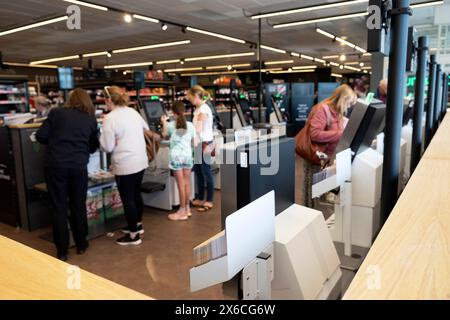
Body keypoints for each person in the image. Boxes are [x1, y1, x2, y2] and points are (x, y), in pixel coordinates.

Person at [36, 88, 99, 261]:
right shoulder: (90, 120)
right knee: (78, 205)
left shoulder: (56, 114)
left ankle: (62, 251)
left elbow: (41, 136)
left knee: (59, 208)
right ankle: (81, 244)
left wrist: (57, 141)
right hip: (78, 166)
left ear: (70, 100)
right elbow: (94, 145)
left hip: (55, 166)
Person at [100, 86, 149, 246]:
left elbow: (107, 147)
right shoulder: (133, 112)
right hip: (140, 160)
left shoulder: (110, 118)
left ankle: (133, 236)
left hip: (125, 163)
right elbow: (145, 129)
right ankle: (137, 225)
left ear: (108, 100)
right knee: (136, 195)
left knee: (128, 199)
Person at [299, 84, 357, 208]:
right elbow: (314, 134)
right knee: (314, 194)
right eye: (348, 103)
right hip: (316, 159)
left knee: (322, 195)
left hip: (327, 159)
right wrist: (339, 134)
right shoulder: (322, 109)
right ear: (343, 99)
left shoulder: (336, 112)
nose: (348, 107)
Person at [161, 101, 196, 221]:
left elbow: (164, 135)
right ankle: (187, 209)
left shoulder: (171, 125)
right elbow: (195, 142)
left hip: (176, 157)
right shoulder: (190, 125)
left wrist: (163, 123)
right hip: (187, 156)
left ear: (173, 113)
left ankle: (181, 211)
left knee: (180, 185)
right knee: (187, 183)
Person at [187, 85, 215, 212]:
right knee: (199, 171)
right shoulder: (198, 109)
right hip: (199, 143)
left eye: (190, 98)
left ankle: (209, 200)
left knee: (206, 171)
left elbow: (198, 129)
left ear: (196, 96)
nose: (190, 100)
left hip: (204, 143)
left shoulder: (203, 109)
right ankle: (200, 198)